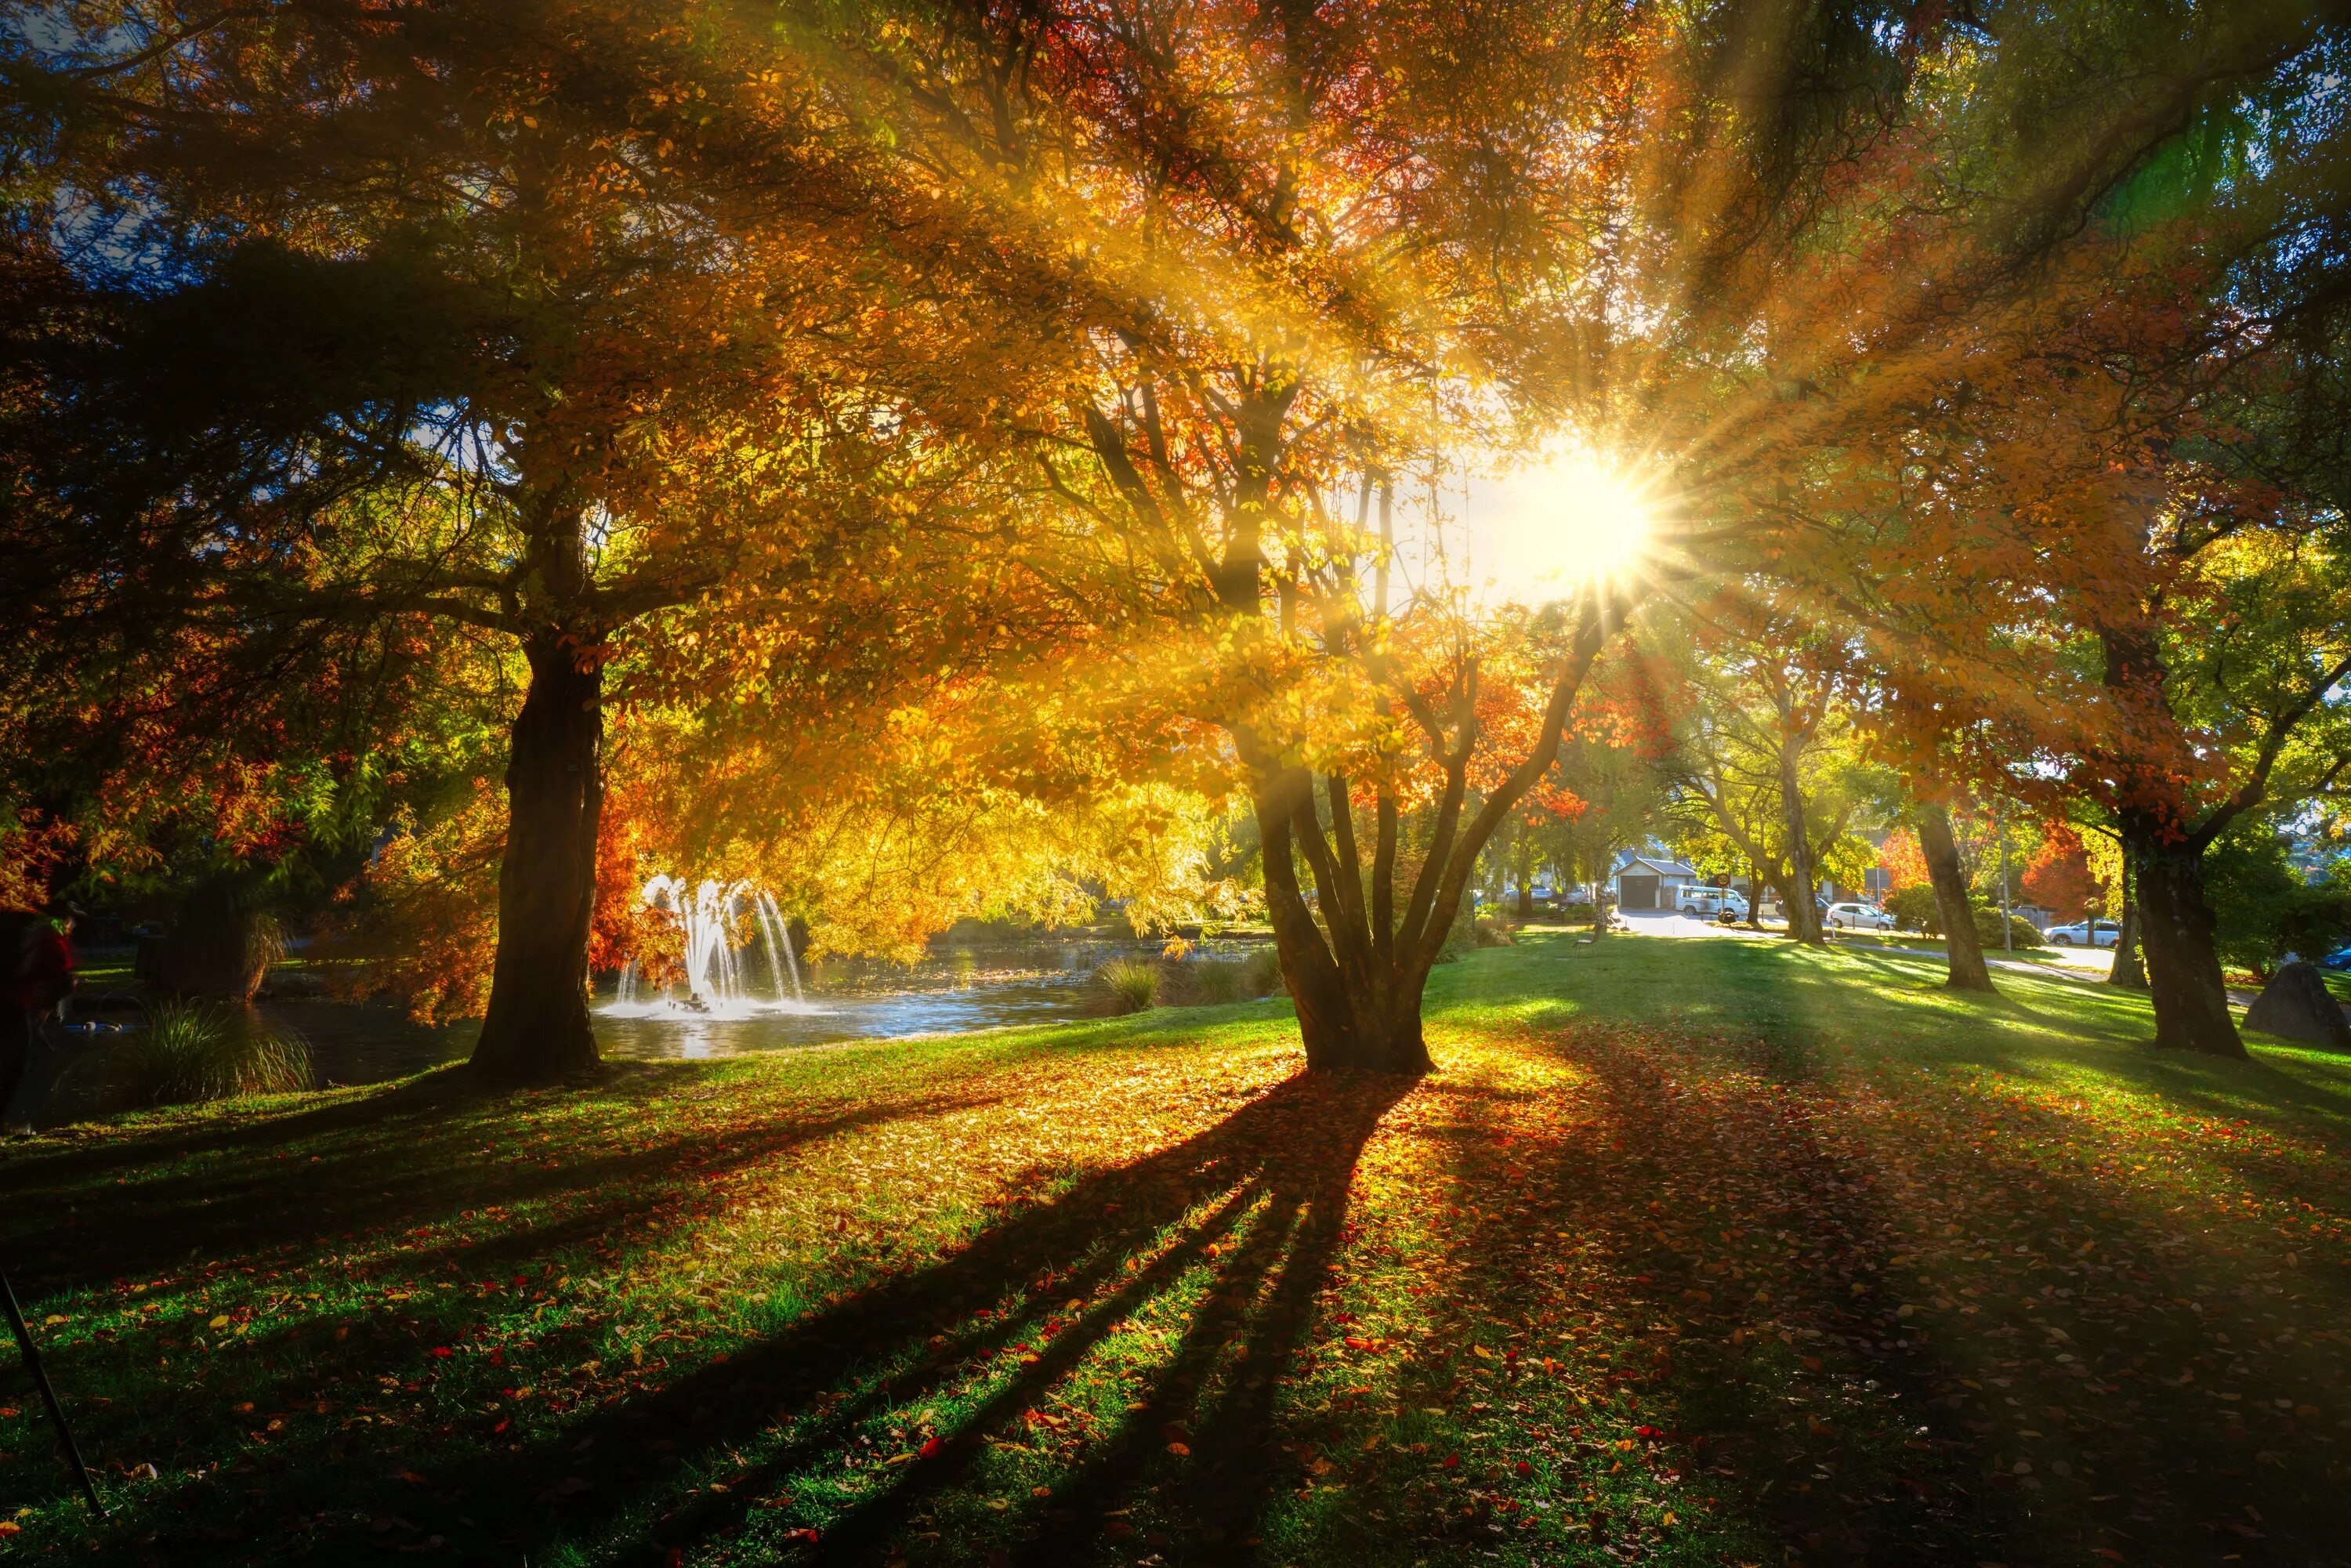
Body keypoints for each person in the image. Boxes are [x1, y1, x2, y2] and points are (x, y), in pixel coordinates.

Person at [2, 901, 76, 1135]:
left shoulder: (34, 935)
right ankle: (11, 1120)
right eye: (72, 920)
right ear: (65, 920)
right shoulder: (51, 940)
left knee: (20, 1061)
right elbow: (56, 976)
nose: (73, 926)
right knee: (19, 1063)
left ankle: (11, 1118)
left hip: (16, 1003)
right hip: (16, 1004)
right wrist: (56, 996)